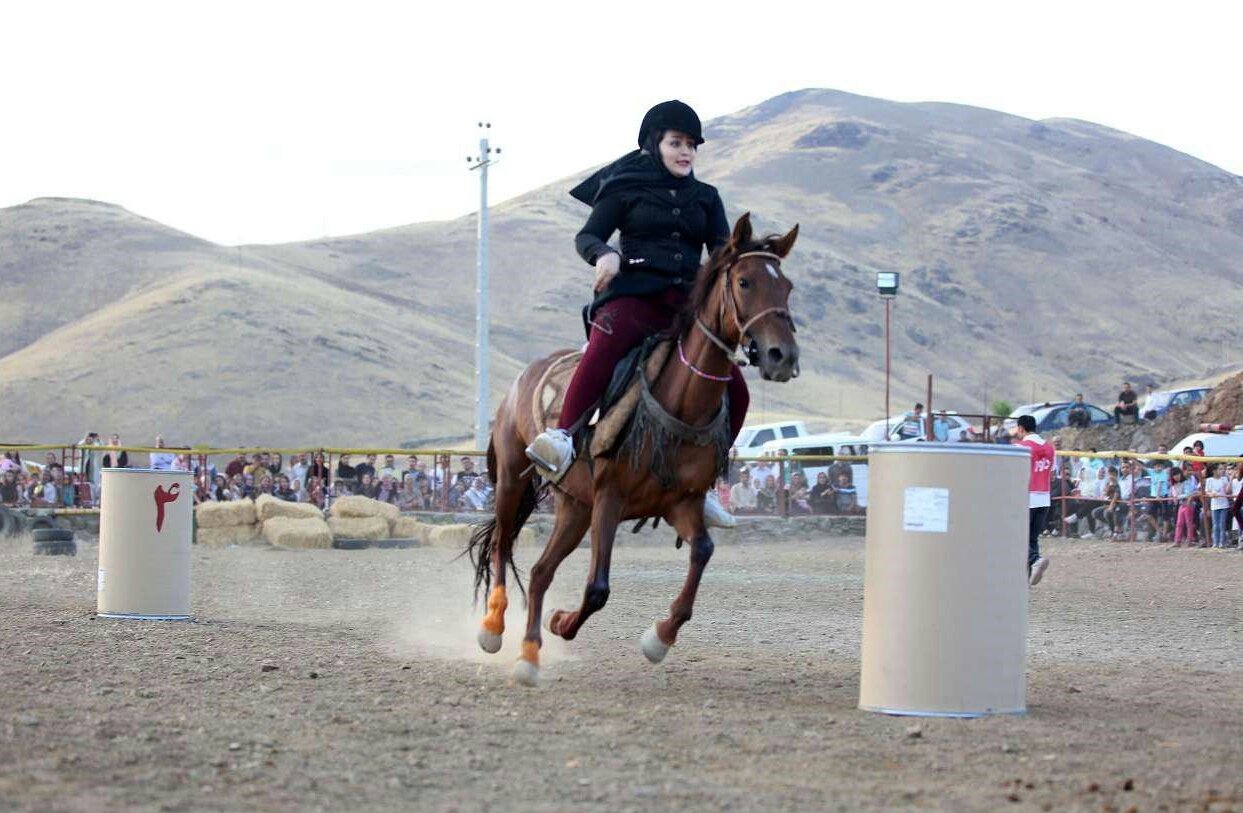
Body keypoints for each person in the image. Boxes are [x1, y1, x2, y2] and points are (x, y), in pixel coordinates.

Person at [522, 100, 746, 529]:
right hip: (635, 299)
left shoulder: (707, 198)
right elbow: (588, 235)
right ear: (654, 144)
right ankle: (563, 436)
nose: (685, 152)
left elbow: (721, 256)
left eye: (691, 145)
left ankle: (702, 484)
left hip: (686, 310)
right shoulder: (625, 187)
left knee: (738, 391)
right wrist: (604, 254)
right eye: (676, 143)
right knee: (604, 347)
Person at [1013, 415, 1052, 586]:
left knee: (1016, 535)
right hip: (1044, 497)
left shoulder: (1021, 447)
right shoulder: (1049, 448)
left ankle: (1035, 560)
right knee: (1032, 538)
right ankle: (1028, 576)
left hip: (1027, 497)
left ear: (1021, 428)